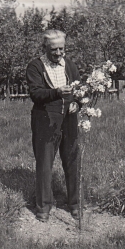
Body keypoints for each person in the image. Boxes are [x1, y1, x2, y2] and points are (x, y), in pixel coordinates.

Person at [26, 29, 81, 222]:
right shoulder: (35, 67)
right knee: (45, 163)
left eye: (61, 49)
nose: (58, 53)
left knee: (73, 160)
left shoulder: (70, 65)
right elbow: (36, 94)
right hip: (45, 119)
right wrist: (57, 92)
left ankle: (74, 204)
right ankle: (43, 207)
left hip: (69, 118)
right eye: (54, 49)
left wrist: (77, 103)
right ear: (45, 48)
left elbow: (79, 90)